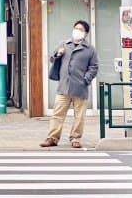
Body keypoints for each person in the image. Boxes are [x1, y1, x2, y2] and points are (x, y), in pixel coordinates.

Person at [40, 20, 98, 149]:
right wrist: (57, 54)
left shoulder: (90, 49)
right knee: (57, 114)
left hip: (80, 88)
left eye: (81, 29)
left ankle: (75, 138)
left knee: (79, 116)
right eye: (76, 28)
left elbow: (94, 67)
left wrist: (86, 79)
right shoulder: (64, 44)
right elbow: (51, 58)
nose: (77, 31)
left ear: (86, 33)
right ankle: (52, 138)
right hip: (64, 86)